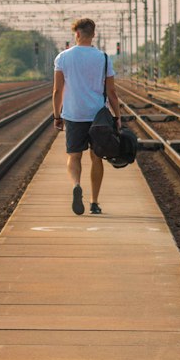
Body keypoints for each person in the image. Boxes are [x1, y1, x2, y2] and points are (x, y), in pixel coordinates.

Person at [53, 17, 122, 216]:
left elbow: (58, 91)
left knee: (74, 156)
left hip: (74, 114)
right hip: (98, 116)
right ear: (93, 35)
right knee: (96, 158)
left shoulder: (63, 58)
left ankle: (76, 185)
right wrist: (117, 116)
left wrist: (57, 116)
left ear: (77, 34)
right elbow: (112, 92)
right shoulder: (104, 58)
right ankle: (94, 202)